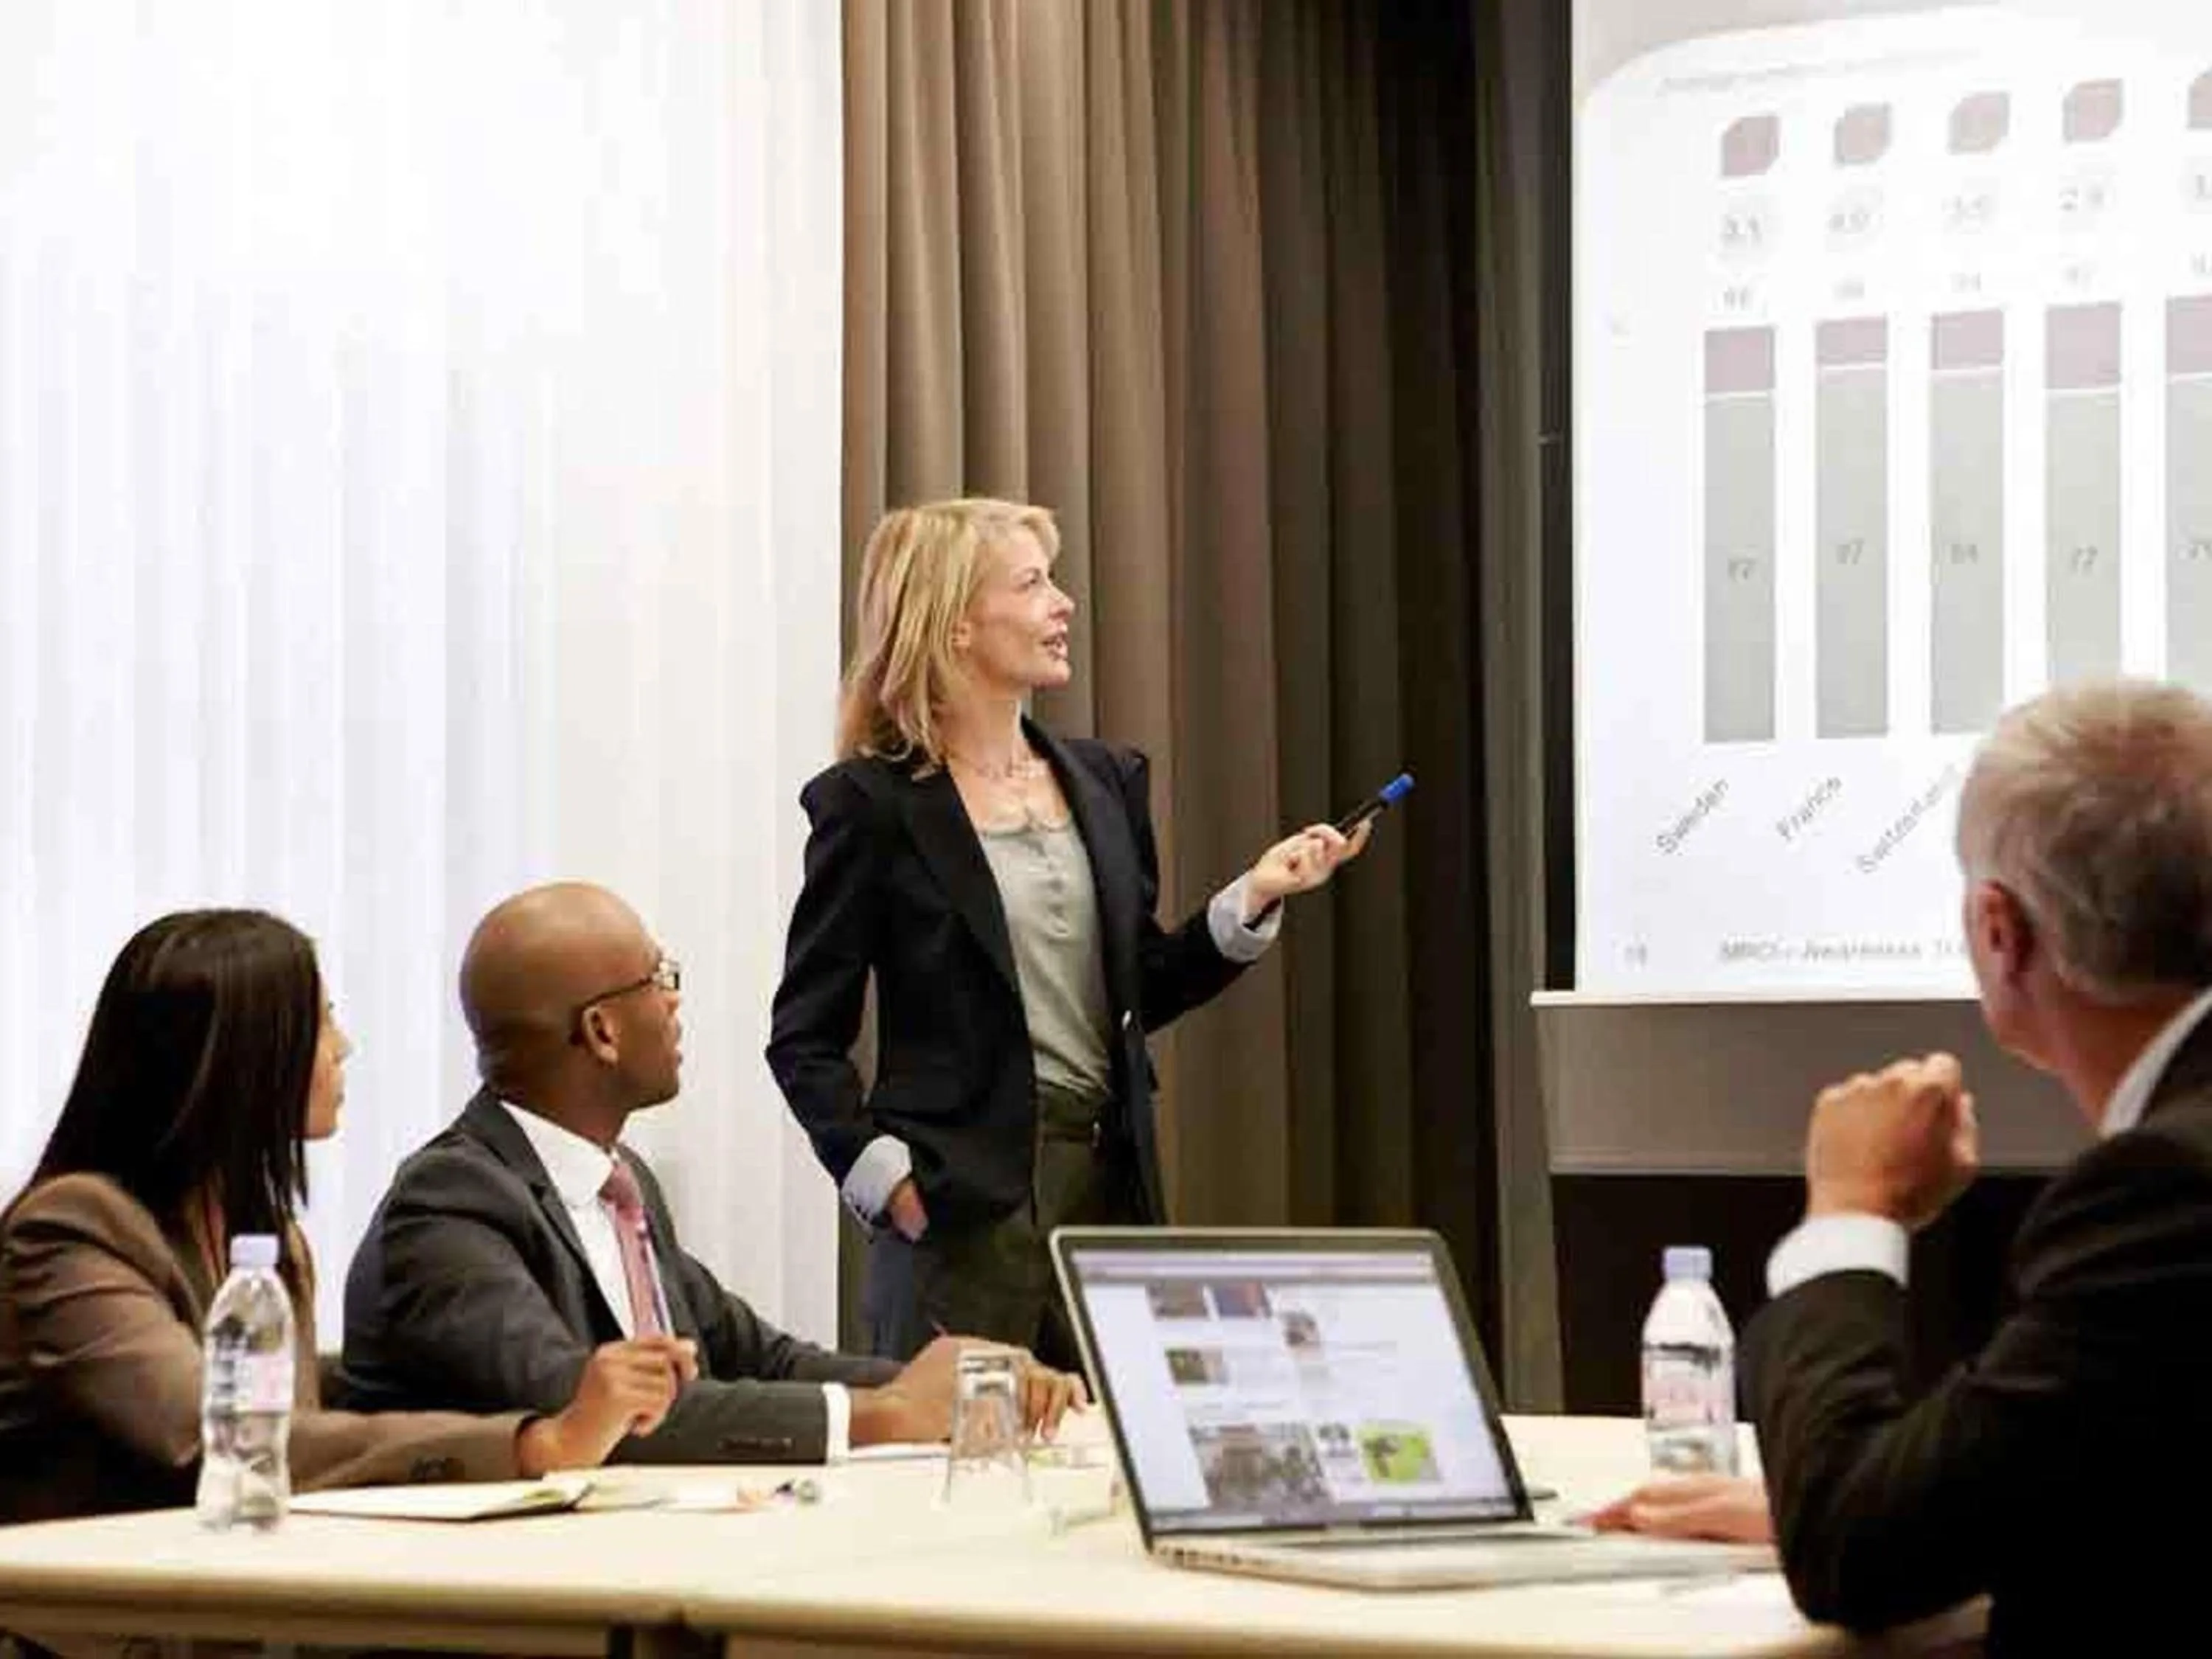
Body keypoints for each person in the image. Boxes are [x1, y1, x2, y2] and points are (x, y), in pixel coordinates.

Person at [1594, 679, 2212, 1655]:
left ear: (2000, 930)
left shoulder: (2166, 1190)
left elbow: (1858, 1558)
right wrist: (1907, 1490)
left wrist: (1851, 1207)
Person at [767, 497, 1368, 1366]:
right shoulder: (870, 807)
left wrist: (1254, 897)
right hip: (959, 1215)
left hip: (1110, 1197)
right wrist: (884, 1181)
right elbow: (804, 1039)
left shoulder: (1105, 780)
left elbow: (1138, 990)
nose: (1065, 604)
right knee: (963, 1473)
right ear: (958, 624)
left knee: (1118, 1469)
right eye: (1034, 583)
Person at [341, 883, 1084, 1460]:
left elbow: (756, 1357)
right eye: (659, 976)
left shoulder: (619, 1184)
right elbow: (590, 1408)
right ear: (601, 1031)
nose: (674, 999)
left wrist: (959, 1385)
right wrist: (882, 1416)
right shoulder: (448, 1209)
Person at [0, 909, 691, 1528]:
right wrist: (535, 1443)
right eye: (322, 1020)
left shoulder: (271, 1240)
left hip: (222, 1600)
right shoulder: (72, 1228)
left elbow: (287, 1461)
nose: (343, 1046)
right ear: (247, 1055)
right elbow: (222, 1440)